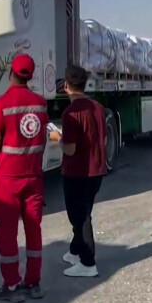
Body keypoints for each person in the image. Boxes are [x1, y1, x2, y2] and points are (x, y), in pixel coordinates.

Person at [0, 54, 48, 303]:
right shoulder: (40, 104)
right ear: (30, 76)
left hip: (8, 179)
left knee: (7, 233)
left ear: (11, 73)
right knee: (33, 229)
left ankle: (12, 285)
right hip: (33, 177)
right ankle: (33, 283)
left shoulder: (2, 103)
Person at [49, 65, 106, 278]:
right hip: (96, 169)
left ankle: (88, 263)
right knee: (84, 212)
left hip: (77, 172)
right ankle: (74, 251)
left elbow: (70, 149)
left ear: (66, 86)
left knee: (80, 218)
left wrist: (57, 138)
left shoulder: (70, 113)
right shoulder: (98, 107)